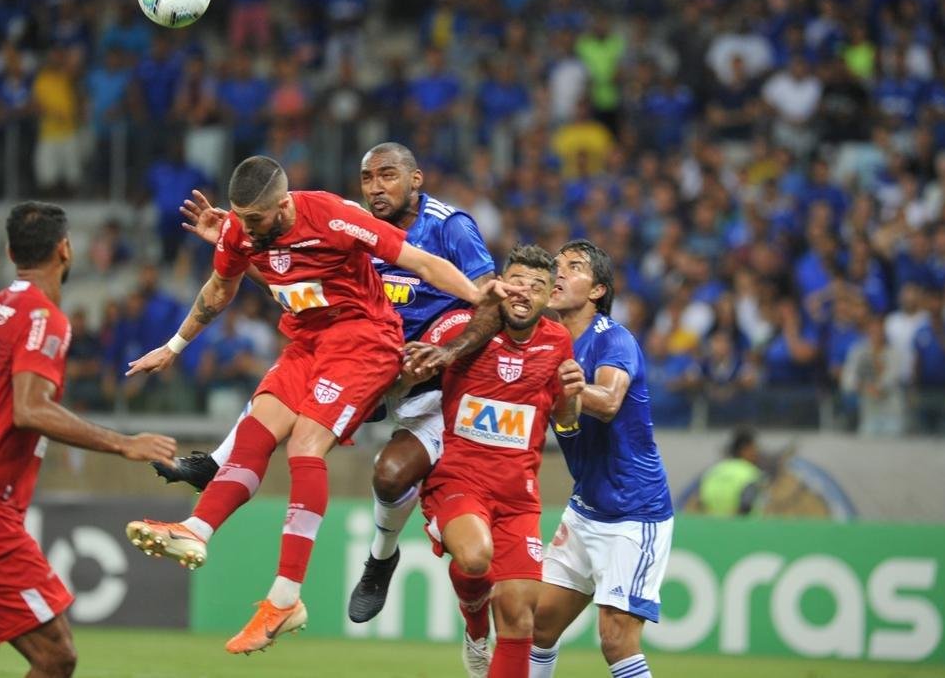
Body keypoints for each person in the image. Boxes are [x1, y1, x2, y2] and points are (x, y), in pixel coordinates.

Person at [122, 156, 517, 655]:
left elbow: (421, 263)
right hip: (306, 343)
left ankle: (286, 597)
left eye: (257, 220)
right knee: (257, 428)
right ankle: (195, 530)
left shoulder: (332, 215)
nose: (247, 229)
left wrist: (480, 295)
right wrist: (175, 345)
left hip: (365, 342)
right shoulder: (239, 232)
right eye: (241, 219)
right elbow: (220, 289)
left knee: (306, 445)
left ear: (283, 205)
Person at [0, 202, 176, 678]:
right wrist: (123, 443)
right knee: (56, 656)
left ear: (11, 252)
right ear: (66, 249)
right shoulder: (44, 319)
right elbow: (29, 408)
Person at [405, 239, 673, 678]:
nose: (561, 272)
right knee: (538, 624)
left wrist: (566, 388)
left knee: (616, 639)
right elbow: (564, 422)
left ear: (597, 291)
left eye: (575, 267)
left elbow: (607, 402)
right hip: (586, 507)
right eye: (558, 266)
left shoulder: (611, 338)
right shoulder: (549, 341)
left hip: (634, 510)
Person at [406, 245, 581, 678]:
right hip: (459, 479)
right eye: (517, 281)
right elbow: (409, 373)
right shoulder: (463, 326)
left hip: (519, 497)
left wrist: (573, 397)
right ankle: (473, 624)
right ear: (501, 284)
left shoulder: (558, 341)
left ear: (547, 298)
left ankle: (484, 634)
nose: (524, 292)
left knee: (521, 613)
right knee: (475, 557)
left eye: (537, 286)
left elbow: (564, 419)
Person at [698, 427, 766, 517]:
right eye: (755, 448)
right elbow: (746, 506)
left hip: (710, 526)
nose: (757, 453)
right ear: (746, 449)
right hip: (742, 528)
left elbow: (699, 503)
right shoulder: (751, 474)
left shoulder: (714, 471)